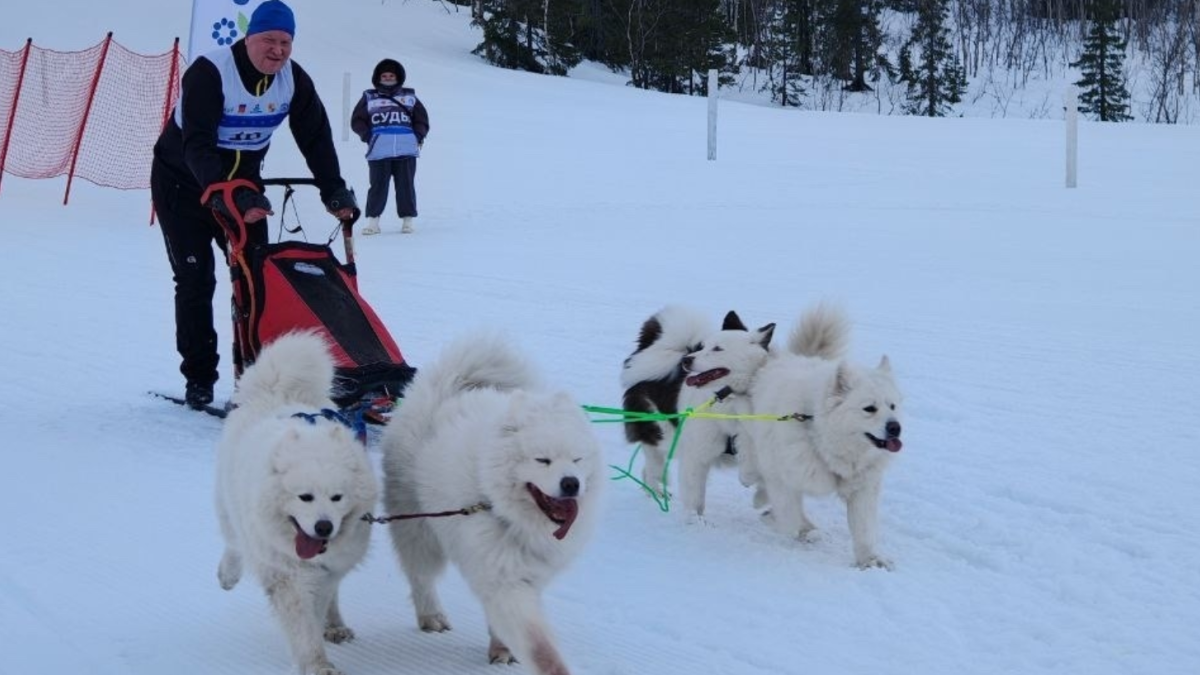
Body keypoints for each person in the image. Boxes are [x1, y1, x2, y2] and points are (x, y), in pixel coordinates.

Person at [150, 0, 357, 409]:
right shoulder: (210, 73)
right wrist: (229, 192)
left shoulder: (293, 80)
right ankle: (199, 378)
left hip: (245, 189)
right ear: (249, 38)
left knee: (256, 282)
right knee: (197, 280)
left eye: (286, 42)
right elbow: (198, 146)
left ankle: (255, 380)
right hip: (184, 185)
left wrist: (333, 189)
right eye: (269, 40)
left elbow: (315, 137)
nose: (277, 50)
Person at [350, 58, 429, 235]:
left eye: (391, 75)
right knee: (378, 186)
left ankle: (408, 221)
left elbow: (422, 120)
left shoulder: (409, 97)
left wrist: (416, 136)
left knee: (406, 186)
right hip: (379, 150)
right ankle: (373, 222)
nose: (387, 78)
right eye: (384, 75)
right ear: (378, 77)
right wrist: (369, 136)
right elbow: (357, 120)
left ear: (398, 77)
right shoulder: (369, 97)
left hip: (406, 150)